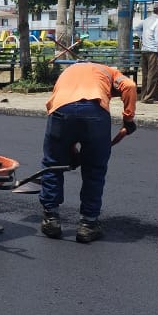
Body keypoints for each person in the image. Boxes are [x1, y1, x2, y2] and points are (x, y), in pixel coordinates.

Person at [38, 61, 137, 244]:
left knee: (52, 164)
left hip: (61, 110)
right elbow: (129, 86)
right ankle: (88, 224)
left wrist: (70, 149)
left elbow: (62, 111)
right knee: (94, 169)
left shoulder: (70, 71)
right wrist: (128, 119)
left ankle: (51, 218)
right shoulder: (112, 73)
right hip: (94, 113)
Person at [138, 4, 158, 103]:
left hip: (144, 50)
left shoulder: (146, 20)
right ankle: (150, 97)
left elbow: (137, 28)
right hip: (153, 51)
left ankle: (144, 96)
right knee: (153, 75)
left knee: (146, 75)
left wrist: (142, 38)